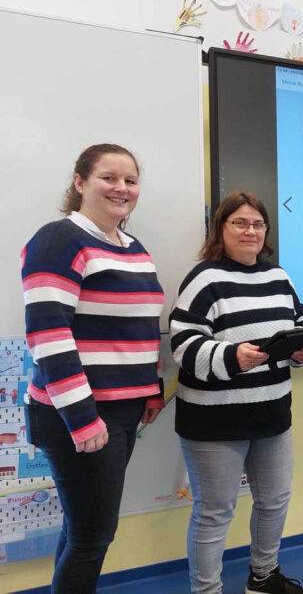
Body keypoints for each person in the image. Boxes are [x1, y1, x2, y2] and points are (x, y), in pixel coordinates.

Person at [21, 144, 164, 593]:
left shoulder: (132, 247)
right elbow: (48, 334)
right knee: (93, 537)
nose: (122, 188)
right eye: (109, 177)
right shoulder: (59, 239)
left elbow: (142, 327)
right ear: (80, 182)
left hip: (123, 412)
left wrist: (152, 388)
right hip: (79, 415)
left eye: (130, 180)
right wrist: (82, 419)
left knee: (83, 528)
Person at [170, 191, 303, 594]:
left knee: (274, 501)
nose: (250, 230)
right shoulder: (204, 278)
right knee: (215, 513)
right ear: (221, 228)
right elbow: (183, 346)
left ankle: (263, 578)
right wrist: (232, 356)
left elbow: (299, 329)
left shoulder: (278, 277)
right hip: (213, 420)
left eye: (257, 224)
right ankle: (207, 591)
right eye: (240, 222)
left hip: (272, 415)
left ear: (265, 232)